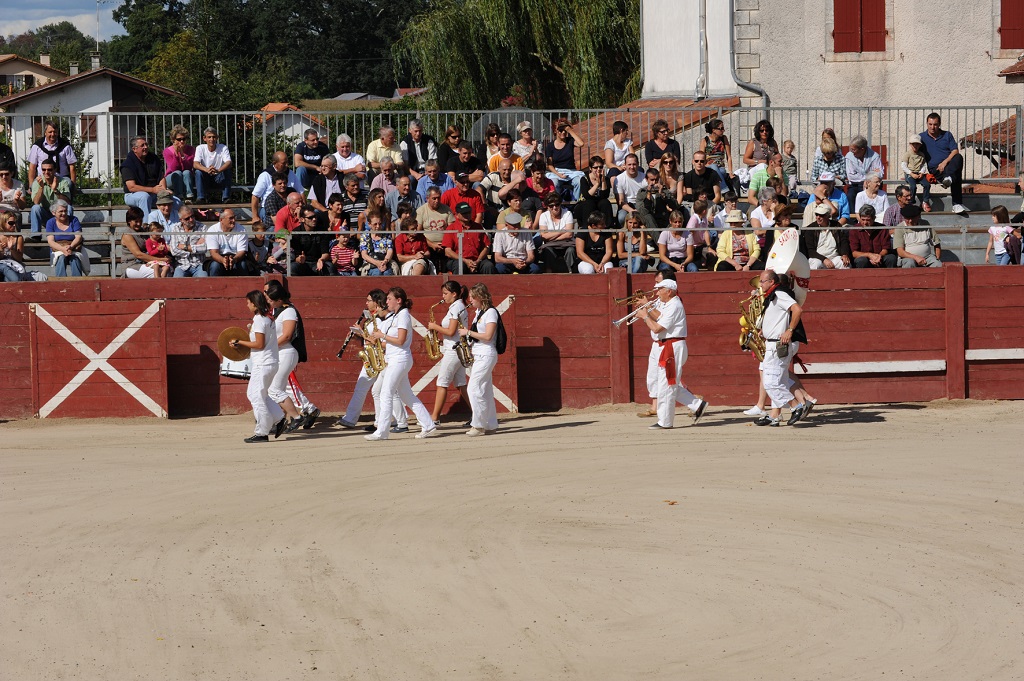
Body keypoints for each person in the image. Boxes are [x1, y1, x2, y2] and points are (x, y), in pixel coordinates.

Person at [365, 287, 438, 440]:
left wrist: (382, 335)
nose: (386, 302)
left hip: (399, 359)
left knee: (386, 393)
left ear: (398, 300)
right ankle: (428, 425)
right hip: (395, 359)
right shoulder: (396, 315)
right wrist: (376, 339)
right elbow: (392, 340)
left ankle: (382, 432)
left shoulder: (403, 315)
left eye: (389, 299)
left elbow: (400, 340)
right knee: (406, 395)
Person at [635, 278, 708, 429]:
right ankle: (697, 405)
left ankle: (665, 421)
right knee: (669, 383)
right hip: (667, 345)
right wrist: (647, 307)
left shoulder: (675, 305)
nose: (657, 293)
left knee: (666, 385)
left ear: (669, 291)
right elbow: (659, 317)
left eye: (660, 290)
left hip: (671, 346)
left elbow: (657, 328)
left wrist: (645, 316)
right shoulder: (667, 303)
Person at [336, 290, 406, 431]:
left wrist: (362, 333)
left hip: (380, 357)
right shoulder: (373, 317)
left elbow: (377, 340)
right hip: (373, 356)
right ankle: (385, 421)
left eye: (369, 300)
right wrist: (359, 335)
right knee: (380, 391)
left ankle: (355, 419)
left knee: (380, 390)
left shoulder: (381, 319)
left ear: (377, 302)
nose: (366, 303)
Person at [753, 271, 808, 427]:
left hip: (778, 344)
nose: (760, 284)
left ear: (771, 282)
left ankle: (796, 406)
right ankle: (775, 416)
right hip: (772, 343)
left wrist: (789, 330)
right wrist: (764, 329)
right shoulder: (772, 295)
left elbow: (797, 310)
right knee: (779, 381)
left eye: (762, 281)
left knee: (770, 382)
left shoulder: (779, 294)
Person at [229, 291, 285, 443]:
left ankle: (262, 432)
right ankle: (279, 418)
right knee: (259, 395)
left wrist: (239, 342)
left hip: (263, 363)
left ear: (254, 303)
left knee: (256, 396)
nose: (247, 305)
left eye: (248, 302)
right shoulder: (268, 318)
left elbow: (259, 344)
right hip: (269, 362)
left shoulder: (260, 319)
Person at [261, 280, 307, 434]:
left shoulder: (289, 311)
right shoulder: (280, 311)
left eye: (271, 300)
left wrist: (268, 346)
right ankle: (280, 421)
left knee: (274, 389)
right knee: (276, 389)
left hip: (286, 353)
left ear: (280, 300)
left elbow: (287, 336)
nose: (269, 303)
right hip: (279, 353)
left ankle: (296, 417)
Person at [458, 283, 502, 436]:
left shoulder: (490, 312)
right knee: (485, 390)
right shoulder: (479, 312)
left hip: (486, 354)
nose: (470, 300)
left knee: (473, 388)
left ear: (480, 297)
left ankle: (478, 425)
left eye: (472, 297)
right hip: (479, 353)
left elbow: (488, 336)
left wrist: (467, 332)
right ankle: (490, 425)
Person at [427, 280, 472, 422]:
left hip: (454, 350)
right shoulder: (458, 306)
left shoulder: (455, 307)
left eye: (445, 293)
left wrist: (434, 327)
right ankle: (478, 414)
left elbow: (451, 331)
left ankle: (434, 418)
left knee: (442, 383)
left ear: (454, 294)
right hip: (457, 348)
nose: (443, 296)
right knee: (461, 385)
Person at [920, 112, 966, 213]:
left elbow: (955, 151)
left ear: (939, 124)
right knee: (956, 174)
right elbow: (914, 153)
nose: (932, 127)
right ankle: (956, 204)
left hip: (948, 166)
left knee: (958, 157)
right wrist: (911, 172)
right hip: (936, 170)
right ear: (927, 124)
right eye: (930, 124)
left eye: (935, 124)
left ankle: (948, 178)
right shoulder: (921, 137)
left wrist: (945, 162)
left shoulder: (947, 135)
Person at [442, 202, 494, 274]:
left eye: (469, 212)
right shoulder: (451, 228)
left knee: (488, 265)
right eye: (464, 213)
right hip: (458, 260)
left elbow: (486, 246)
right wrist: (465, 261)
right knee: (459, 265)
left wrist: (478, 261)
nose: (467, 215)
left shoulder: (478, 227)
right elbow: (448, 252)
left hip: (477, 259)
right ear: (457, 215)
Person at [250, 151, 302, 224]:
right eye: (283, 163)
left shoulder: (291, 173)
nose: (287, 165)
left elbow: (301, 192)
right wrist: (255, 216)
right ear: (275, 163)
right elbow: (255, 196)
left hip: (288, 207)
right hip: (268, 207)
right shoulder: (265, 175)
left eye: (287, 162)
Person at [121, 136, 169, 214]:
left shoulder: (154, 159)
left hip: (154, 194)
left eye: (146, 144)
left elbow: (161, 177)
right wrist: (152, 190)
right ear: (134, 149)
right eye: (142, 145)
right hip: (133, 195)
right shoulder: (127, 165)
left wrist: (163, 190)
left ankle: (173, 222)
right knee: (145, 197)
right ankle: (146, 221)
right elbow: (132, 187)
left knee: (175, 201)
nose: (146, 147)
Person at [27, 120, 77, 187]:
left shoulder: (65, 146)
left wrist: (73, 185)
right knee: (35, 186)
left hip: (62, 179)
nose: (53, 134)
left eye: (55, 132)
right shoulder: (37, 146)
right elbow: (32, 167)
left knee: (69, 185)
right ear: (45, 133)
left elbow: (72, 167)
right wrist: (31, 186)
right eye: (50, 132)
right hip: (42, 179)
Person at [545, 118, 586, 201]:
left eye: (564, 130)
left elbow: (581, 143)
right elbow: (550, 165)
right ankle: (556, 202)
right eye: (560, 130)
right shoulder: (550, 146)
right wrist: (558, 174)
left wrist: (570, 130)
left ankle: (575, 202)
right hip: (557, 172)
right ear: (555, 131)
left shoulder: (570, 141)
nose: (563, 132)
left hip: (571, 171)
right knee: (554, 183)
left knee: (579, 181)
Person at [30, 159, 73, 237]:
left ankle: (68, 233)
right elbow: (36, 202)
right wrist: (41, 188)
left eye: (49, 169)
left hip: (60, 215)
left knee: (69, 208)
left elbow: (67, 202)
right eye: (44, 169)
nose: (46, 172)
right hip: (45, 215)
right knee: (35, 208)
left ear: (55, 170)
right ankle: (36, 236)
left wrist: (55, 190)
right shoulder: (37, 182)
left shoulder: (63, 182)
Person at [46, 200, 88, 277]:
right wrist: (63, 249)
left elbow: (78, 237)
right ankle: (61, 282)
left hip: (73, 247)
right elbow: (51, 241)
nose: (64, 213)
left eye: (65, 211)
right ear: (53, 213)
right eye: (61, 211)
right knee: (61, 258)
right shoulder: (50, 222)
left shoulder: (74, 220)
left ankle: (77, 281)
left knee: (75, 259)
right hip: (58, 248)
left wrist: (70, 247)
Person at [802, 203, 851, 269]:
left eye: (821, 215)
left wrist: (844, 254)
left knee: (845, 263)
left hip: (834, 258)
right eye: (816, 214)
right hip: (817, 258)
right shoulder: (811, 229)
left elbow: (843, 242)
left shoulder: (836, 225)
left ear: (828, 216)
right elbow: (810, 251)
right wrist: (824, 259)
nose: (818, 217)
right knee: (816, 264)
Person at [0, 209, 45, 282]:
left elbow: (19, 259)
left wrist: (12, 249)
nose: (14, 225)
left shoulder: (19, 237)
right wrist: (1, 250)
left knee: (7, 278)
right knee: (4, 267)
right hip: (2, 266)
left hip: (14, 266)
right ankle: (18, 282)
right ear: (3, 223)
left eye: (15, 222)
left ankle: (17, 283)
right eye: (11, 223)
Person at [535, 193, 575, 272]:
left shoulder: (567, 213)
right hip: (550, 245)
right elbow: (543, 236)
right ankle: (549, 273)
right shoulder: (543, 216)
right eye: (551, 206)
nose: (555, 207)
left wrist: (551, 237)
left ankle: (571, 272)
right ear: (547, 206)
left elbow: (569, 234)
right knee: (547, 250)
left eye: (557, 204)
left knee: (571, 250)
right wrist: (561, 231)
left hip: (566, 243)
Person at [193, 127, 232, 203]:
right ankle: (201, 198)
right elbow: (195, 164)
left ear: (217, 138)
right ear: (204, 138)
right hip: (206, 178)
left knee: (227, 170)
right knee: (198, 172)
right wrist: (206, 169)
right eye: (209, 137)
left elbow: (229, 163)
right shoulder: (200, 148)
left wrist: (218, 170)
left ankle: (226, 198)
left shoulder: (223, 147)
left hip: (219, 177)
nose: (212, 139)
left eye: (214, 137)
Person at [206, 209, 250, 276]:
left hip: (236, 257)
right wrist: (223, 260)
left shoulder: (241, 229)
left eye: (234, 217)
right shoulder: (212, 230)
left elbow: (242, 251)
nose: (234, 220)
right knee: (215, 266)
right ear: (221, 220)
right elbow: (214, 253)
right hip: (219, 258)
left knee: (242, 265)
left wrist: (234, 260)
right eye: (231, 218)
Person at [167, 205, 208, 277]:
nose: (191, 219)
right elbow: (174, 250)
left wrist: (184, 247)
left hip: (199, 264)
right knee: (176, 282)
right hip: (181, 265)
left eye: (192, 216)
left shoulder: (202, 227)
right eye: (187, 218)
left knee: (204, 281)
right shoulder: (175, 229)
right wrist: (194, 249)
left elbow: (204, 248)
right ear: (181, 220)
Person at [844, 135, 884, 207]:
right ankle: (853, 214)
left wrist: (869, 180)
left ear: (862, 149)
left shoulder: (875, 157)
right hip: (855, 185)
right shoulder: (849, 157)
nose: (852, 152)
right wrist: (869, 176)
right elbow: (851, 176)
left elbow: (880, 174)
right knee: (850, 196)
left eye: (854, 150)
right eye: (851, 149)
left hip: (872, 184)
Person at [574, 156, 615, 227]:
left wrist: (603, 181)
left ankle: (607, 227)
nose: (598, 169)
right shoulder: (584, 179)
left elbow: (605, 196)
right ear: (590, 168)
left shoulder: (606, 179)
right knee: (589, 203)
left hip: (598, 203)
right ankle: (586, 228)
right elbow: (587, 196)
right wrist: (597, 184)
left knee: (605, 202)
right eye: (595, 168)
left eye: (600, 167)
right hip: (585, 204)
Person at [163, 125, 196, 201]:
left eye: (184, 139)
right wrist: (176, 154)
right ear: (173, 140)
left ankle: (189, 196)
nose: (182, 141)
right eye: (179, 139)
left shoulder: (191, 149)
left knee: (186, 172)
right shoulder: (167, 151)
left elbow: (189, 167)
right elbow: (173, 168)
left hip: (186, 177)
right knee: (178, 173)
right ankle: (179, 196)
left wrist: (182, 155)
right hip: (172, 177)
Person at [399, 119, 438, 183]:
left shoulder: (429, 141)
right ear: (410, 130)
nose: (418, 133)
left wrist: (426, 173)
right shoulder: (405, 143)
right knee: (411, 179)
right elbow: (405, 165)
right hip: (412, 172)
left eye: (420, 131)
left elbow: (432, 161)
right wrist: (416, 175)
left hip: (427, 170)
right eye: (416, 131)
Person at [657, 209, 696, 274]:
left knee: (693, 268)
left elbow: (690, 256)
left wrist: (683, 264)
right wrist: (674, 265)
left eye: (680, 222)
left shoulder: (688, 234)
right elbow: (662, 256)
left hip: (684, 260)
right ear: (670, 221)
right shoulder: (664, 234)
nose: (678, 224)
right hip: (669, 261)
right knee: (665, 268)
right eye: (675, 222)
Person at [702, 118, 734, 192]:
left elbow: (729, 157)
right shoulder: (705, 141)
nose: (723, 130)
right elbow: (701, 157)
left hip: (721, 168)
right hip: (708, 168)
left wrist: (730, 172)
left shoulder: (723, 139)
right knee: (713, 166)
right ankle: (724, 190)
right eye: (721, 128)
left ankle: (722, 189)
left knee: (719, 171)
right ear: (714, 130)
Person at [614, 154, 646, 227]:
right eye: (629, 164)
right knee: (622, 218)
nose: (632, 167)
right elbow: (621, 201)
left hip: (641, 204)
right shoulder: (619, 179)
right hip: (626, 205)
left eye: (634, 164)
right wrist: (632, 210)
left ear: (638, 164)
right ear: (625, 165)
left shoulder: (644, 177)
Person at [902, 134, 932, 211]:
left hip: (919, 173)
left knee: (927, 185)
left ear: (920, 145)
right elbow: (903, 166)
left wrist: (922, 173)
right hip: (910, 173)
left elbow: (923, 165)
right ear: (910, 144)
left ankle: (925, 201)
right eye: (913, 144)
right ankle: (911, 202)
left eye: (917, 144)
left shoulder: (921, 155)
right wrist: (911, 174)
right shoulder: (908, 154)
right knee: (913, 186)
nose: (915, 146)